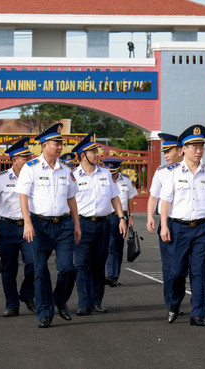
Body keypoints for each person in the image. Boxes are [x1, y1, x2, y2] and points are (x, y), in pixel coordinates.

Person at [17, 123, 82, 328]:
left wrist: (77, 224)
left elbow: (71, 198)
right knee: (40, 270)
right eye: (56, 143)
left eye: (61, 144)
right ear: (44, 145)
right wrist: (27, 223)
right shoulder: (31, 168)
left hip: (63, 224)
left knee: (68, 267)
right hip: (39, 225)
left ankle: (60, 299)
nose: (60, 147)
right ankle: (44, 313)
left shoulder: (66, 169)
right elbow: (23, 196)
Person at [160, 124, 205, 326]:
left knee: (198, 270)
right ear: (183, 149)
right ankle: (174, 303)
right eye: (193, 146)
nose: (198, 150)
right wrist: (164, 225)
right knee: (177, 272)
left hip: (202, 228)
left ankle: (198, 313)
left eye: (201, 146)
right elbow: (165, 202)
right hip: (178, 228)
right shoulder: (173, 173)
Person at [69, 135, 127, 315]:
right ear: (82, 155)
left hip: (103, 224)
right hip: (82, 224)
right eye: (93, 152)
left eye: (97, 151)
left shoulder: (105, 173)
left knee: (99, 264)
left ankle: (96, 301)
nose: (97, 154)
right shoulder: (73, 176)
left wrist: (122, 218)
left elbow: (114, 197)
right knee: (81, 264)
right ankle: (84, 303)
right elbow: (68, 201)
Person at [0, 137, 36, 317]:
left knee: (34, 263)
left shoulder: (35, 176)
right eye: (25, 158)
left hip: (29, 227)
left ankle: (27, 293)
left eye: (29, 157)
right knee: (9, 268)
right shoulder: (0, 179)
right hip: (7, 227)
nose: (29, 160)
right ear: (14, 160)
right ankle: (12, 304)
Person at [146, 132, 187, 315]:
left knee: (185, 267)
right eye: (164, 152)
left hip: (189, 223)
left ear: (180, 150)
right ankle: (172, 302)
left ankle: (179, 300)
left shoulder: (192, 169)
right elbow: (153, 196)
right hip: (169, 223)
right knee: (169, 266)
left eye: (169, 151)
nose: (166, 155)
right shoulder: (162, 172)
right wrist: (150, 216)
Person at [102, 157, 137, 287]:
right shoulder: (103, 179)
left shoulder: (126, 180)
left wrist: (131, 216)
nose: (112, 175)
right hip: (107, 216)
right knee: (109, 245)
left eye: (114, 172)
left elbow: (130, 199)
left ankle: (115, 275)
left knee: (118, 246)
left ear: (118, 169)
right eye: (110, 172)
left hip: (122, 217)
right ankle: (110, 274)